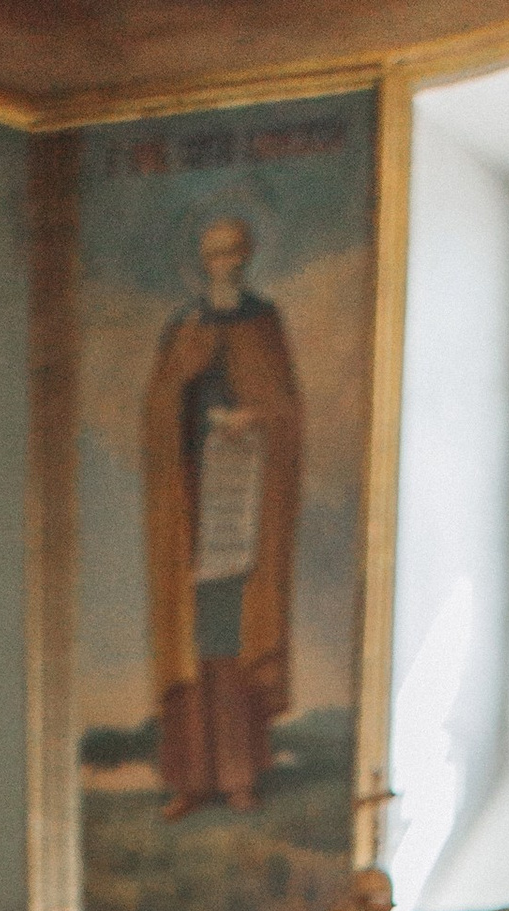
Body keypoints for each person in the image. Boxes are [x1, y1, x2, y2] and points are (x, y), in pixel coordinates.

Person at [141, 212, 302, 813]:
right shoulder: (181, 327)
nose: (224, 264)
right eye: (214, 255)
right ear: (201, 262)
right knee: (194, 638)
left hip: (246, 500)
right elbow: (157, 419)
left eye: (233, 253)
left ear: (248, 256)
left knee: (234, 638)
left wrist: (257, 416)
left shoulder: (265, 324)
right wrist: (183, 380)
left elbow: (287, 410)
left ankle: (238, 776)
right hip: (193, 505)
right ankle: (191, 779)